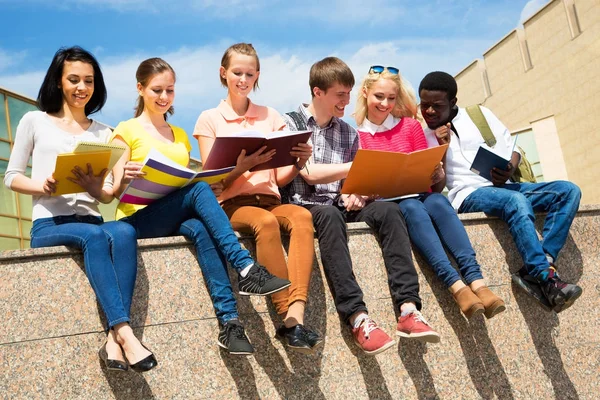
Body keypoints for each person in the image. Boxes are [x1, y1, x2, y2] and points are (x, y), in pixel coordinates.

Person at [109, 57, 290, 355]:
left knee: (201, 226)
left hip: (171, 215)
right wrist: (125, 177)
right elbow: (115, 193)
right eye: (157, 90)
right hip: (137, 219)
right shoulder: (124, 131)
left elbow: (185, 182)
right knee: (198, 190)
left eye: (170, 90)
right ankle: (245, 266)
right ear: (140, 89)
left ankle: (230, 324)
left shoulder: (179, 135)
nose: (164, 97)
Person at [4, 46, 157, 373]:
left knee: (125, 230)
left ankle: (113, 341)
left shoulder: (104, 133)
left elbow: (106, 198)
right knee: (95, 236)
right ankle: (125, 333)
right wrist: (42, 185)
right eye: (73, 79)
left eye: (88, 80)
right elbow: (12, 177)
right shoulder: (35, 121)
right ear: (58, 82)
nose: (81, 87)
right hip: (49, 224)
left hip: (91, 219)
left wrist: (97, 186)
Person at [283, 57, 440, 356]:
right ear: (318, 92)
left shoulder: (348, 132)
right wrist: (352, 169)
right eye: (340, 94)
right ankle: (357, 317)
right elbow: (309, 173)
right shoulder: (291, 122)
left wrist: (359, 194)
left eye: (349, 93)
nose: (347, 100)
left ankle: (408, 309)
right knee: (329, 214)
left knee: (389, 211)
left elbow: (355, 182)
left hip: (338, 203)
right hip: (305, 205)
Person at [418, 71, 582, 313]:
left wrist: (509, 168)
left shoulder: (479, 115)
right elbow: (435, 189)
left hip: (503, 187)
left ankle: (539, 265)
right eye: (424, 105)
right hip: (467, 195)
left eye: (437, 105)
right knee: (515, 201)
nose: (429, 111)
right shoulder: (421, 134)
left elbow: (513, 149)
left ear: (453, 102)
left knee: (567, 191)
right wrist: (441, 146)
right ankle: (544, 277)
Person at [194, 43, 321, 354]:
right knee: (265, 223)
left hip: (271, 199)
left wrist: (298, 161)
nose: (243, 79)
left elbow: (279, 178)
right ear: (223, 73)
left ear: (258, 76)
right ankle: (284, 316)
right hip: (233, 205)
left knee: (303, 217)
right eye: (237, 72)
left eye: (250, 74)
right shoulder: (209, 119)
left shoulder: (270, 115)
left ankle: (296, 315)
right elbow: (213, 186)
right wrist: (243, 168)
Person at [353, 66, 505, 319]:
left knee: (437, 200)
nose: (385, 104)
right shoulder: (357, 136)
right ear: (366, 93)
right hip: (391, 202)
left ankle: (477, 282)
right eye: (380, 97)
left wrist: (438, 175)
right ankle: (457, 287)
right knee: (412, 207)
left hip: (421, 194)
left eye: (391, 98)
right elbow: (361, 183)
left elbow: (432, 185)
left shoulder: (411, 127)